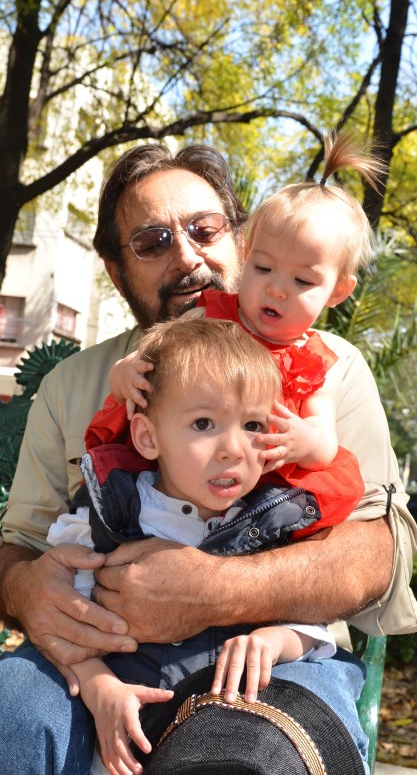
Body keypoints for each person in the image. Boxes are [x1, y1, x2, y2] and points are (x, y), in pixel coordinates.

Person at [0, 142, 417, 775]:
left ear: (238, 240)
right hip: (102, 654)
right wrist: (28, 588)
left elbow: (379, 552)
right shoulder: (82, 385)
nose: (187, 256)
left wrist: (217, 590)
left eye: (204, 229)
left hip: (270, 657)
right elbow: (18, 550)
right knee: (4, 721)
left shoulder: (321, 371)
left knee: (237, 759)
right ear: (117, 272)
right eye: (152, 241)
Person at [47, 317, 357, 775]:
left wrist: (274, 640)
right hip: (122, 732)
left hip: (226, 734)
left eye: (253, 423)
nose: (234, 448)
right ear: (148, 437)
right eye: (204, 423)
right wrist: (99, 687)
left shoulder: (275, 518)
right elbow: (63, 617)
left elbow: (312, 627)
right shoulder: (114, 514)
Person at [107, 131, 384, 476]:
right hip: (191, 470)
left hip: (262, 491)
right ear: (245, 254)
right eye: (263, 268)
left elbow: (324, 441)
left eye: (303, 281)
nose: (277, 290)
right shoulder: (209, 314)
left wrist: (303, 441)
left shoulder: (314, 364)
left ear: (338, 291)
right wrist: (124, 373)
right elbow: (149, 357)